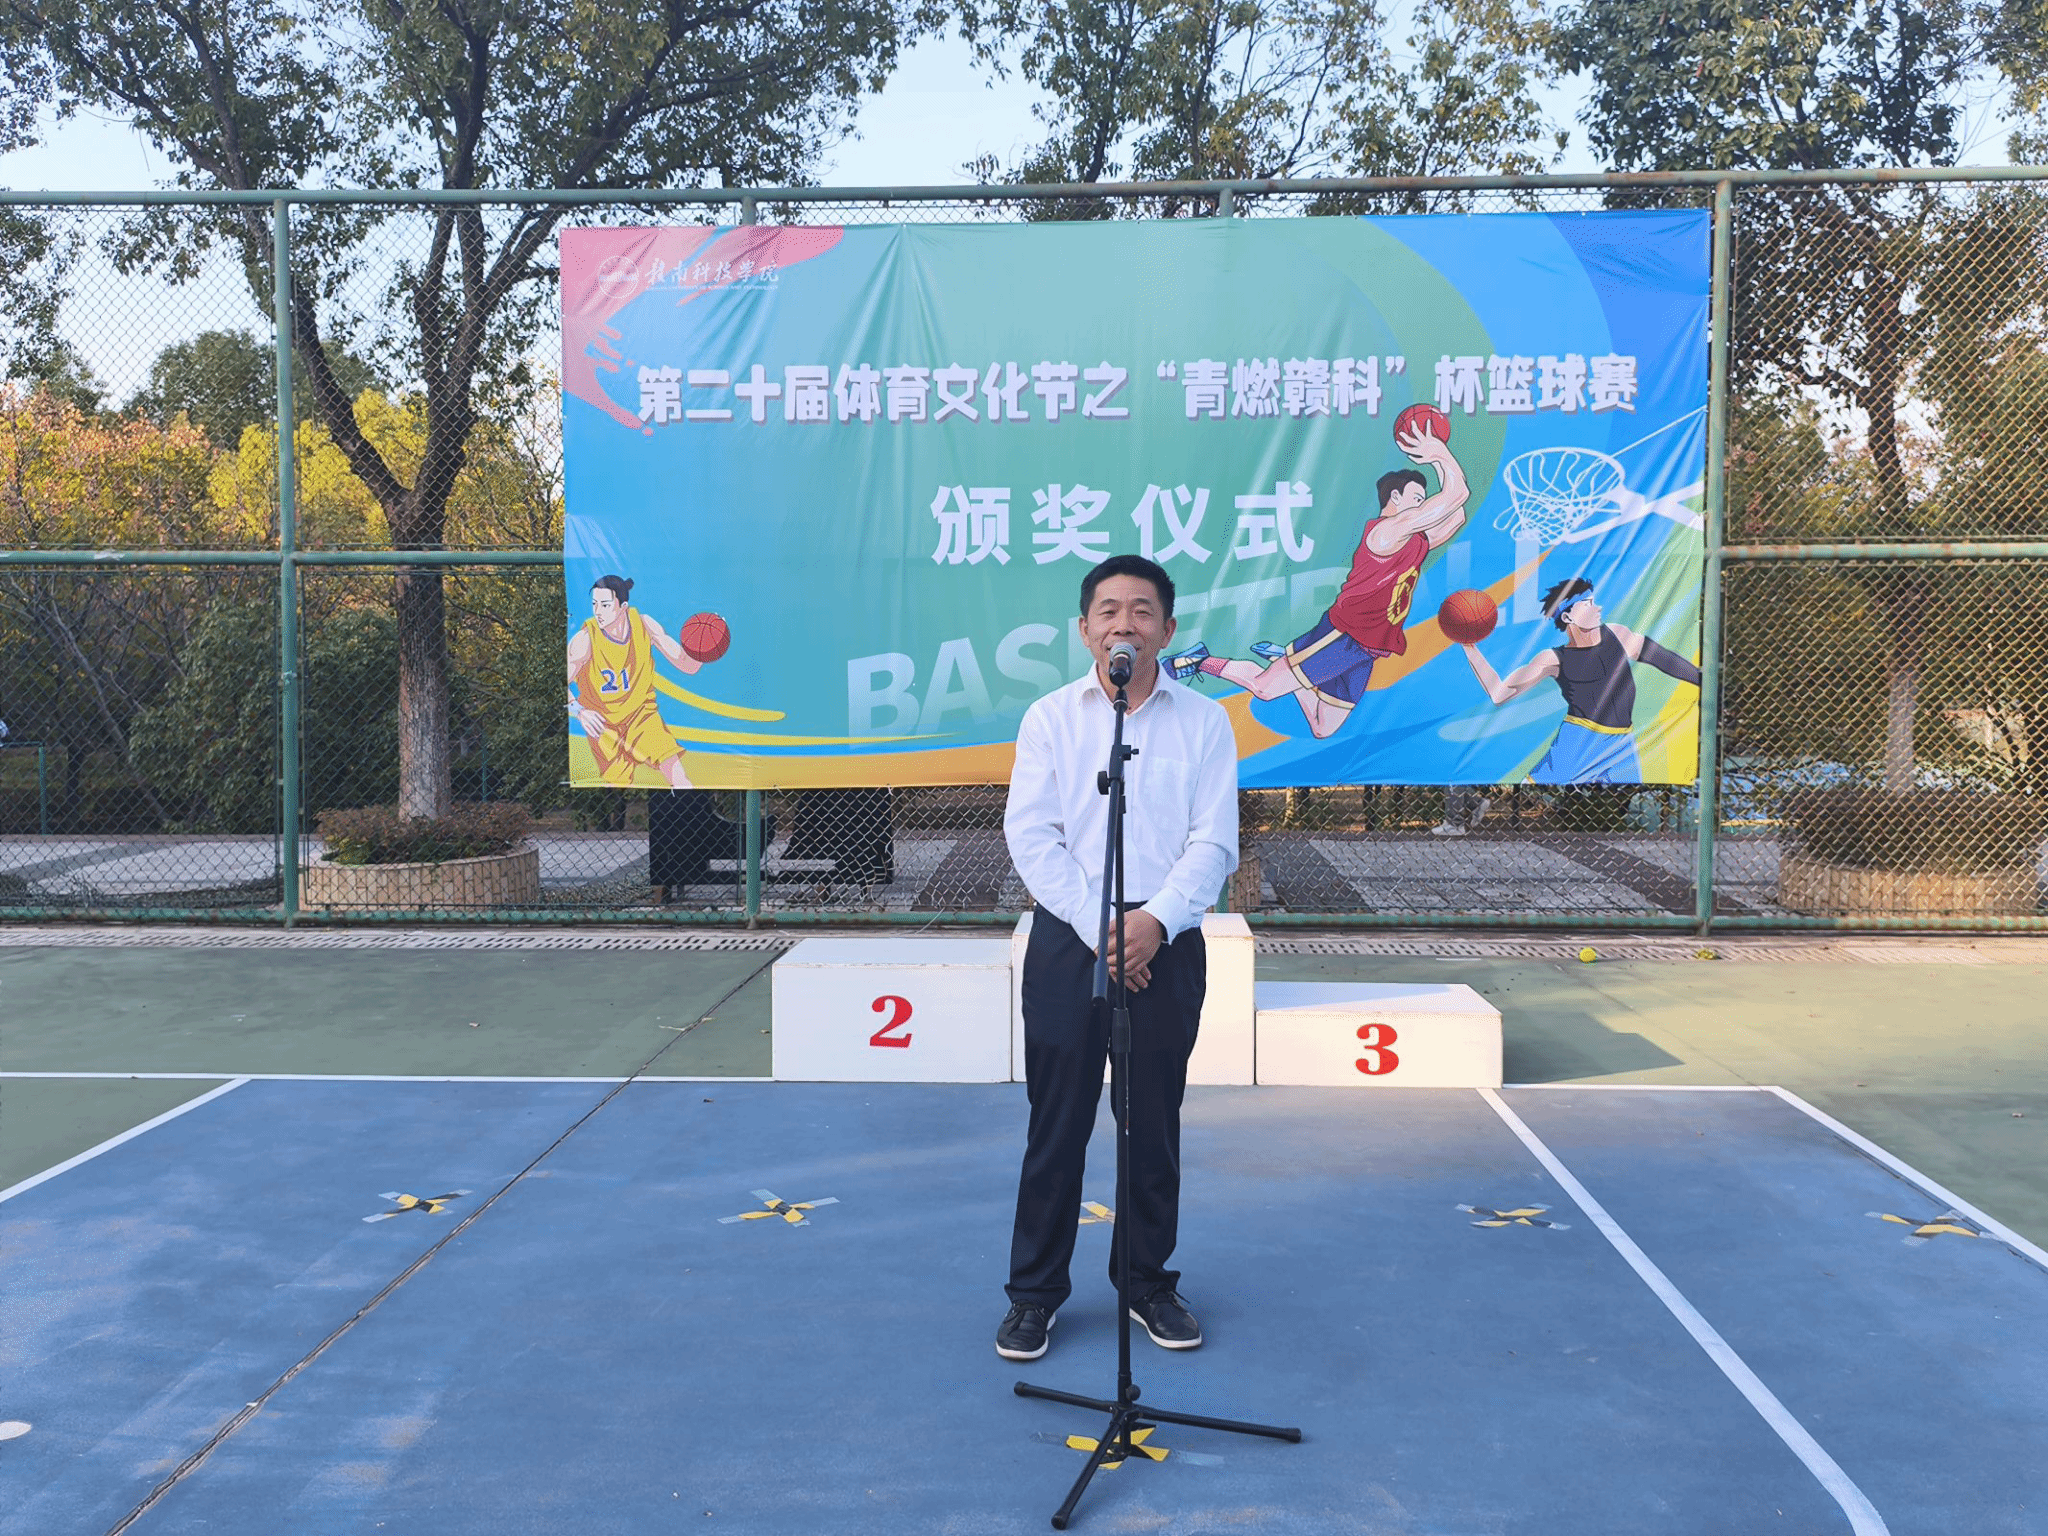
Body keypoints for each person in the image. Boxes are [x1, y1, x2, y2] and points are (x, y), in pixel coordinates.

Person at [997, 553, 1239, 1362]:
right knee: (1056, 1125)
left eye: (1141, 610)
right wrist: (1102, 925)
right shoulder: (1050, 719)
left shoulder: (1204, 723)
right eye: (1108, 611)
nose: (1123, 624)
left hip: (1166, 944)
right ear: (1084, 630)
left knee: (1151, 1126)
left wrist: (1154, 923)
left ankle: (1146, 1283)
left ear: (1166, 629)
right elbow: (1032, 834)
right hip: (1071, 941)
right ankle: (1034, 1295)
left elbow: (1214, 840)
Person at [1164, 420, 1468, 738]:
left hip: (1367, 648)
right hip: (1343, 636)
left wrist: (1440, 457)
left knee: (1323, 728)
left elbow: (1457, 512)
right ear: (1395, 497)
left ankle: (1290, 661)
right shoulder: (1385, 533)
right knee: (1264, 688)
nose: (1423, 506)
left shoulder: (1414, 542)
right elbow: (1454, 496)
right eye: (1418, 499)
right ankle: (1199, 660)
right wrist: (1438, 453)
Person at [1457, 576, 1703, 783]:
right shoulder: (1554, 659)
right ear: (1567, 617)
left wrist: (1704, 680)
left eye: (1593, 601)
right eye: (1587, 604)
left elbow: (1663, 659)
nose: (1597, 608)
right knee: (1533, 787)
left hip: (1622, 744)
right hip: (1578, 742)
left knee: (1623, 805)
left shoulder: (1617, 634)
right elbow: (1499, 693)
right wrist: (1469, 647)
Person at [566, 574, 710, 788]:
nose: (598, 611)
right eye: (594, 604)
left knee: (678, 777)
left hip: (641, 715)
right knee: (616, 785)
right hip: (604, 725)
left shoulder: (644, 625)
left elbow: (686, 665)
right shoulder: (585, 640)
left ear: (623, 607)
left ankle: (691, 810)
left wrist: (705, 649)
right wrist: (580, 711)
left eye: (605, 605)